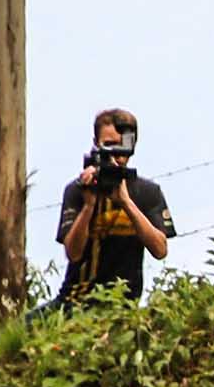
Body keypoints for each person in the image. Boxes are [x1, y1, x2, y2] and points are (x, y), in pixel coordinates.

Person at [57, 108, 176, 303]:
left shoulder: (147, 192)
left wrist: (126, 202)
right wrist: (88, 206)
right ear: (96, 144)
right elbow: (73, 253)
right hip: (74, 301)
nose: (115, 155)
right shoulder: (78, 189)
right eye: (109, 146)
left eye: (121, 147)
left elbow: (160, 249)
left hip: (123, 303)